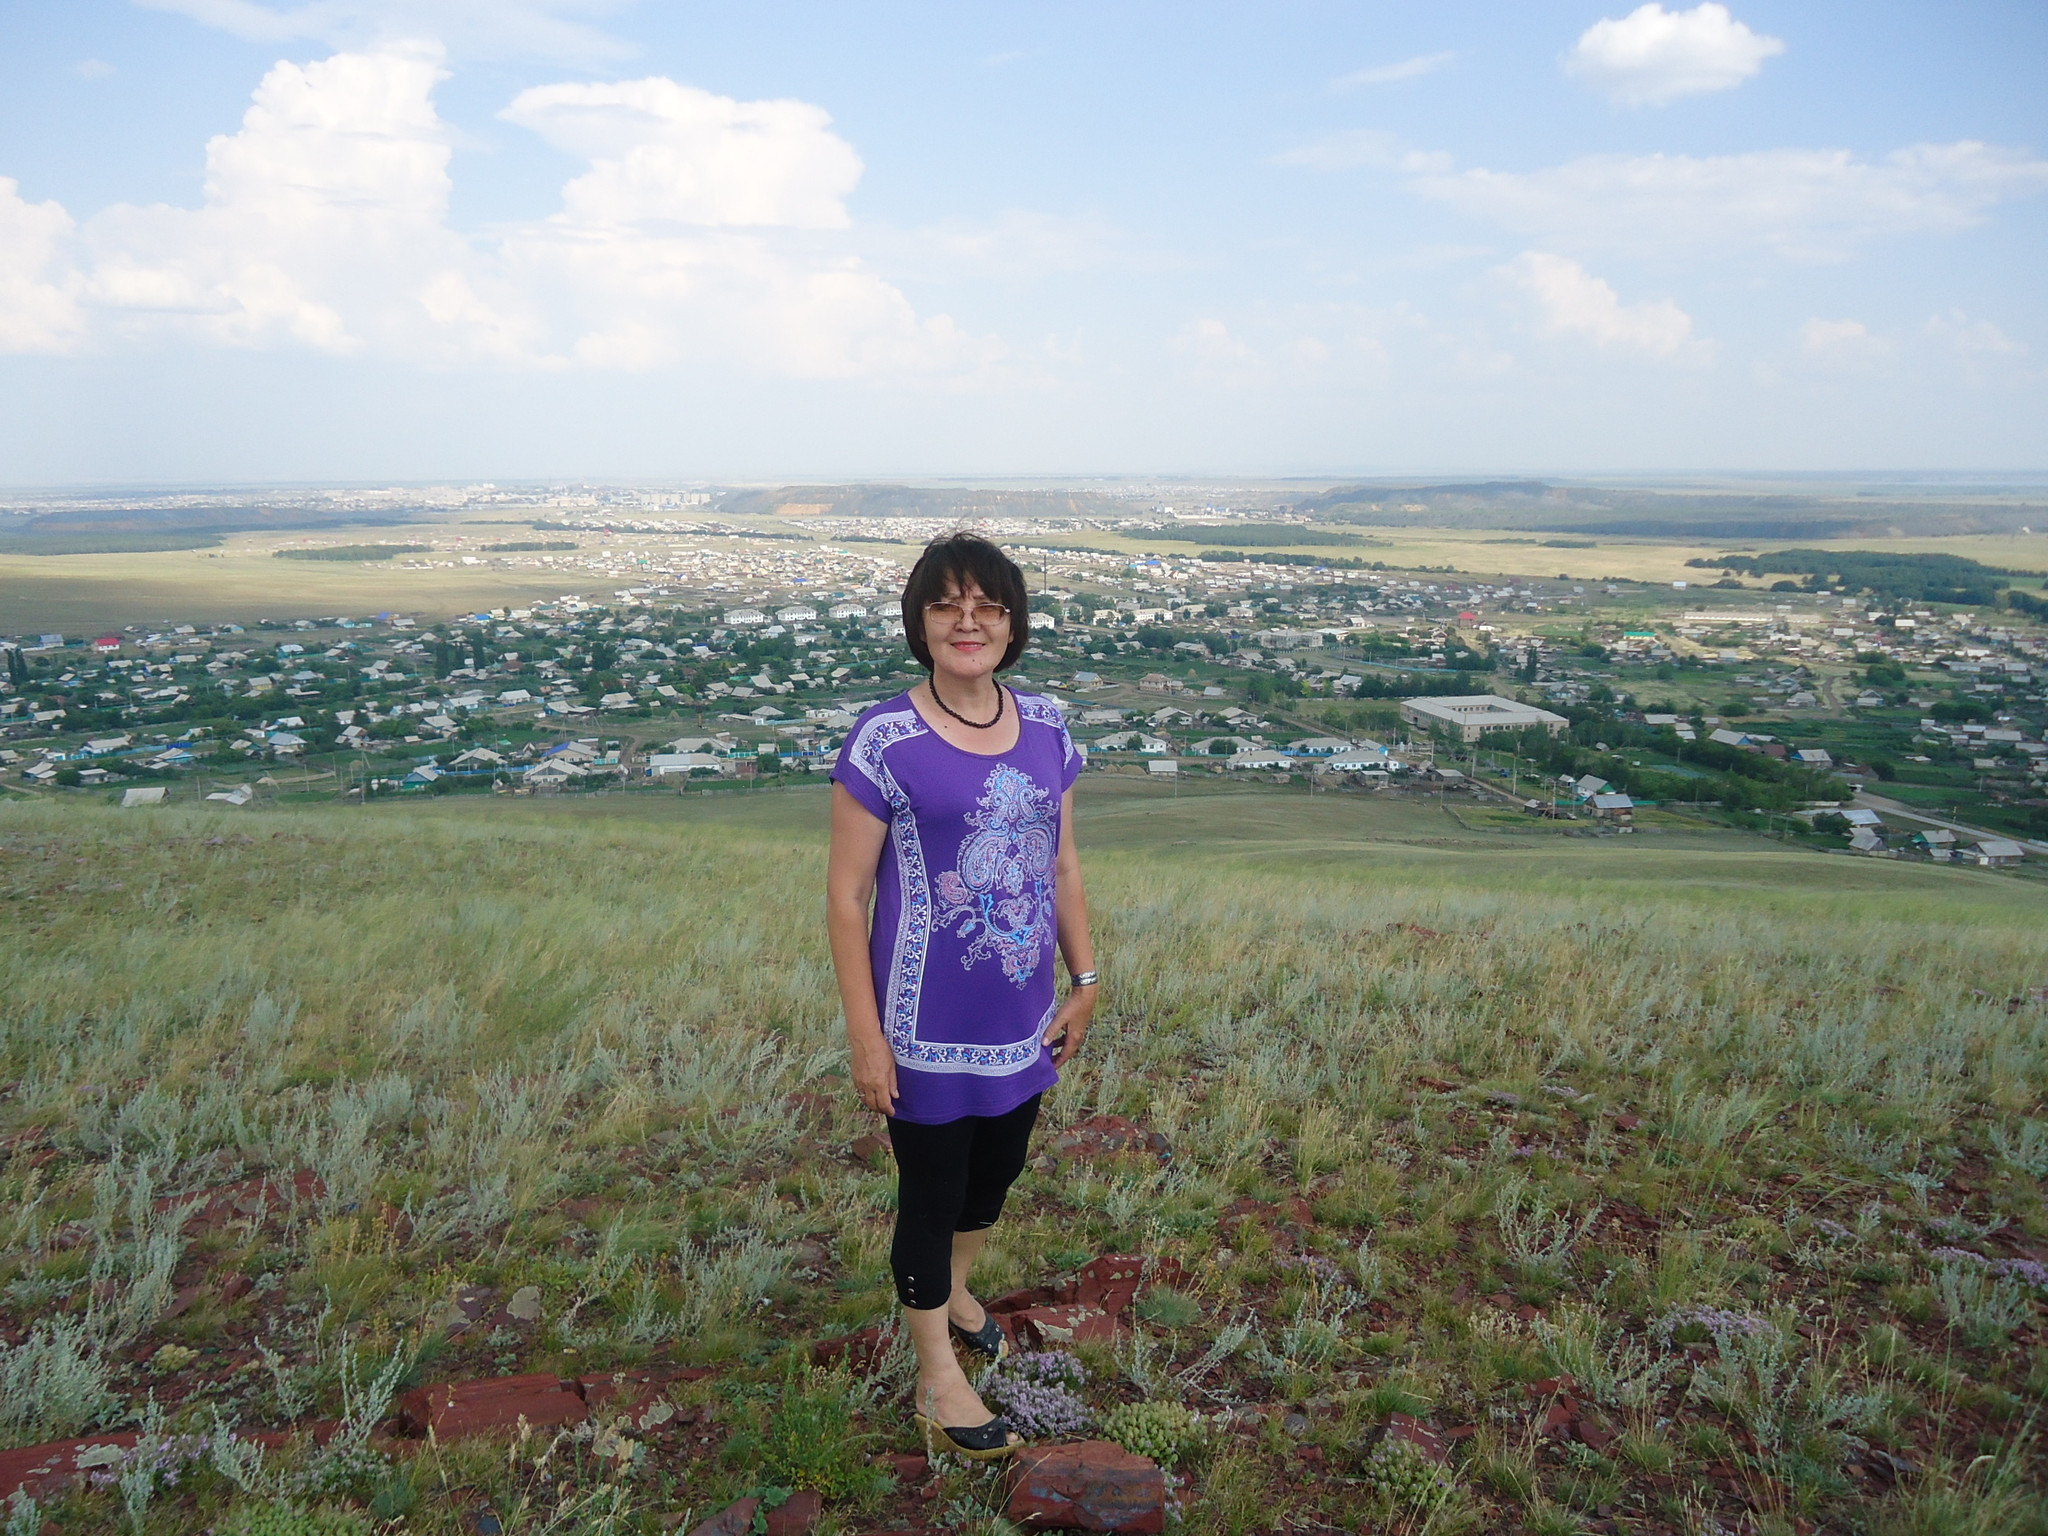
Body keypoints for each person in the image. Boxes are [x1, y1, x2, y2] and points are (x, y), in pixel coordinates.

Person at [825, 534, 1099, 1462]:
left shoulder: (1051, 725)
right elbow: (845, 897)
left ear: (1012, 622)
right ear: (922, 624)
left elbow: (1061, 862)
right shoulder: (885, 739)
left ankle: (958, 1287)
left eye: (986, 605)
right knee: (933, 1194)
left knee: (997, 1177)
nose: (967, 621)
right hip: (923, 1030)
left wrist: (1086, 981)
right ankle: (937, 1372)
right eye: (947, 606)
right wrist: (867, 1040)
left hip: (1020, 1022)